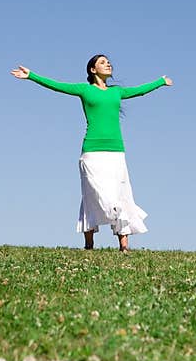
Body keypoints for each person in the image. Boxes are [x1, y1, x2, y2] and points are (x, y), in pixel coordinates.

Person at [10, 54, 173, 252]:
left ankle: (124, 246)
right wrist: (32, 76)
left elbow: (139, 91)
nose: (108, 64)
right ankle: (89, 245)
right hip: (92, 153)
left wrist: (161, 82)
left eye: (109, 62)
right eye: (103, 62)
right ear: (93, 70)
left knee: (120, 196)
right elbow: (57, 85)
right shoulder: (84, 90)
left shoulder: (117, 92)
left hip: (116, 152)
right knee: (94, 195)